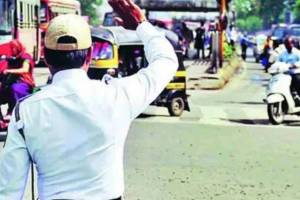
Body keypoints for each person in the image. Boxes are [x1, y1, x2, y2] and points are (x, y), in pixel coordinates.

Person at [0, 0, 178, 200]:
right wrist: (141, 25)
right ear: (90, 55)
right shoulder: (118, 96)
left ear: (46, 58)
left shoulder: (25, 111)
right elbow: (166, 61)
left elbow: (9, 192)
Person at [272, 36, 300, 104]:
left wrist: (295, 65)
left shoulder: (297, 53)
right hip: (285, 74)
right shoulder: (282, 54)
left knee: (296, 80)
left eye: (289, 43)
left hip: (295, 73)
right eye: (286, 44)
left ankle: (297, 96)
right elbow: (277, 62)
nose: (288, 45)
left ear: (293, 44)